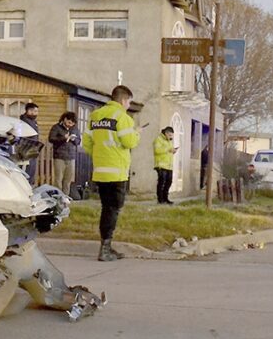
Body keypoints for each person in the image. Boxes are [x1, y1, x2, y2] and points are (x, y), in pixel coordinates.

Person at [83, 85, 140, 262]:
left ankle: (106, 246)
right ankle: (105, 249)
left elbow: (87, 143)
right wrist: (137, 134)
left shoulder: (95, 116)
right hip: (117, 172)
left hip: (100, 171)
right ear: (123, 100)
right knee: (113, 210)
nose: (129, 106)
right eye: (129, 102)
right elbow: (130, 142)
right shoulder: (123, 118)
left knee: (106, 208)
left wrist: (100, 156)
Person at [48, 111, 80, 195]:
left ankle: (66, 197)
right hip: (59, 156)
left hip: (71, 157)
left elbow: (78, 141)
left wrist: (74, 140)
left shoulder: (75, 129)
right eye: (69, 122)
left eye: (72, 123)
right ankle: (58, 197)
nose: (70, 124)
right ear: (65, 119)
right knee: (58, 179)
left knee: (68, 180)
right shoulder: (56, 127)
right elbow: (51, 139)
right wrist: (63, 138)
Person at [153, 126, 177, 204]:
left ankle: (166, 198)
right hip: (161, 165)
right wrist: (168, 149)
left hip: (169, 166)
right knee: (161, 182)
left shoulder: (169, 141)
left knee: (169, 182)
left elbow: (169, 151)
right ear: (166, 133)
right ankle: (160, 199)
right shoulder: (158, 139)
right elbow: (157, 150)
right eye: (169, 135)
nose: (171, 137)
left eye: (172, 135)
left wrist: (173, 151)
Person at [19, 102, 40, 185]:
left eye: (37, 111)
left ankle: (29, 184)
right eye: (34, 111)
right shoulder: (24, 121)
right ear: (29, 111)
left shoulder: (33, 121)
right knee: (27, 169)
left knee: (31, 169)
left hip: (33, 147)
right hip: (26, 148)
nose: (36, 113)